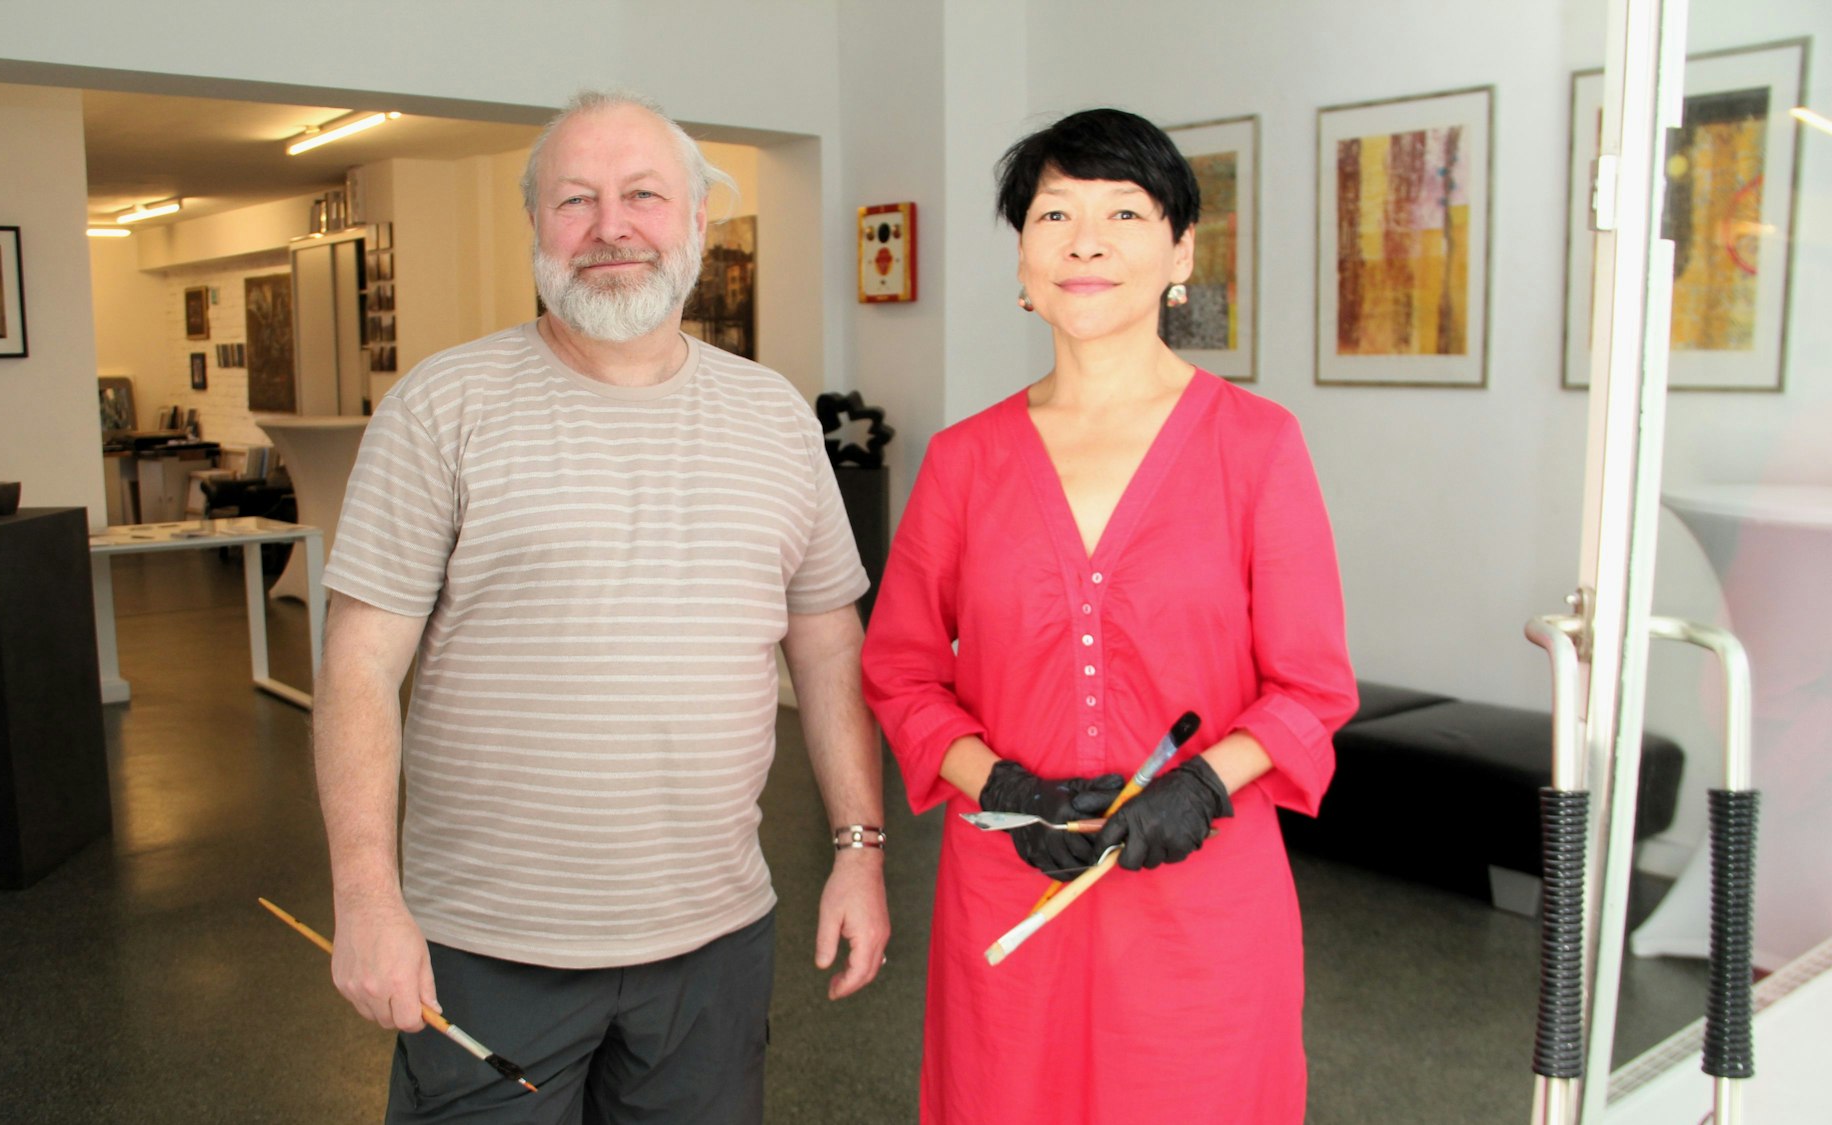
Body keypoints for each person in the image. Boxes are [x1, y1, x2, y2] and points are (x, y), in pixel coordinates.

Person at [314, 90, 889, 1124]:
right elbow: (358, 666)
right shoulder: (440, 407)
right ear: (535, 223)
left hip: (713, 945)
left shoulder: (774, 415)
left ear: (698, 220)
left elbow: (828, 645)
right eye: (575, 199)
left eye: (643, 196)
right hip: (485, 949)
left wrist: (859, 850)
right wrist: (364, 898)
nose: (610, 227)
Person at [861, 108, 1357, 1125]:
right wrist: (999, 785)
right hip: (1011, 885)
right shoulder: (963, 461)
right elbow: (900, 671)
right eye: (1055, 215)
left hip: (1202, 904)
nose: (1085, 243)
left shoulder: (1256, 446)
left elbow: (1311, 687)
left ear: (1181, 252)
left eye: (1124, 213)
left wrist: (1201, 787)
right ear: (1023, 260)